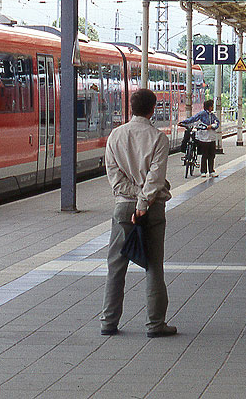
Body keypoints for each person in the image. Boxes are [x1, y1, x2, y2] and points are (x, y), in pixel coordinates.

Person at [101, 88, 176, 338]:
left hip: (122, 207)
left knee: (116, 265)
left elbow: (115, 180)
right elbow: (155, 180)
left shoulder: (115, 136)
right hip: (152, 210)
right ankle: (155, 324)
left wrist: (134, 197)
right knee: (154, 266)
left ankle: (108, 322)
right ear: (153, 109)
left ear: (130, 107)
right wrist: (143, 203)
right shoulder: (158, 138)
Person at [179, 100, 221, 177]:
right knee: (205, 155)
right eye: (211, 106)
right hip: (204, 137)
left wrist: (211, 126)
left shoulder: (212, 115)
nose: (212, 107)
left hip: (211, 137)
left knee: (211, 155)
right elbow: (192, 119)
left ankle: (210, 171)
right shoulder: (202, 114)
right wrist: (184, 122)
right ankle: (204, 171)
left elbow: (217, 123)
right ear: (209, 107)